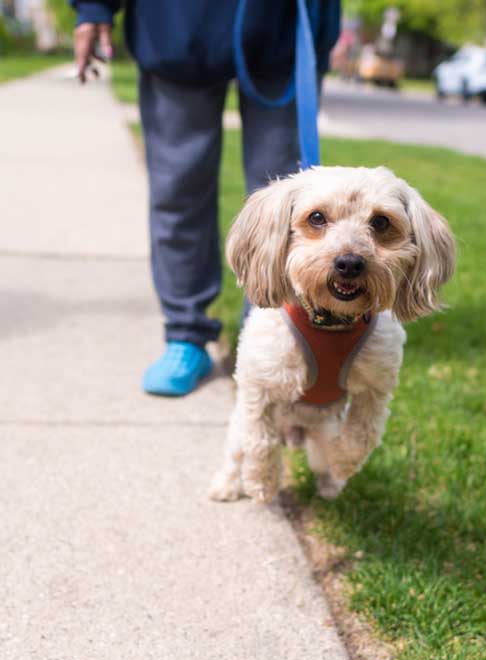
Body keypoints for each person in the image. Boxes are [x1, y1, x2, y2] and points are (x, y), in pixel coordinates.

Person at [71, 0, 341, 396]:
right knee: (178, 190)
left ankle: (270, 337)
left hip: (286, 28)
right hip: (175, 25)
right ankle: (186, 335)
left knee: (289, 206)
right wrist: (94, 7)